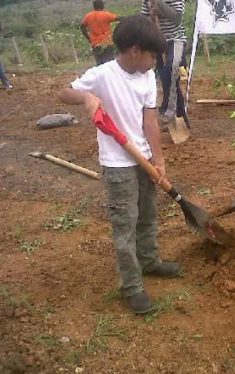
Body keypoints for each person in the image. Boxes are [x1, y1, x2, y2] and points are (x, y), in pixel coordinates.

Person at [58, 15, 182, 314]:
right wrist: (87, 97)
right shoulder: (103, 74)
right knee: (125, 224)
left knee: (148, 215)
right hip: (117, 164)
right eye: (152, 56)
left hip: (143, 160)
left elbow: (150, 120)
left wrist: (159, 158)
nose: (155, 62)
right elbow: (63, 92)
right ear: (135, 50)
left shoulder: (148, 77)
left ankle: (150, 262)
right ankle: (132, 286)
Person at [141, 0, 188, 128]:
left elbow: (177, 18)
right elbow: (144, 23)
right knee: (167, 80)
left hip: (176, 40)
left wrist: (159, 4)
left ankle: (167, 109)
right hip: (159, 42)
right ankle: (180, 114)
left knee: (172, 69)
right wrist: (151, 15)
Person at [80, 0, 120, 65]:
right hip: (107, 43)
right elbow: (118, 18)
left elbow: (82, 26)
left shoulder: (88, 16)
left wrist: (88, 38)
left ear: (94, 6)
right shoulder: (106, 14)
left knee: (99, 64)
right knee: (110, 64)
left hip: (95, 44)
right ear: (102, 5)